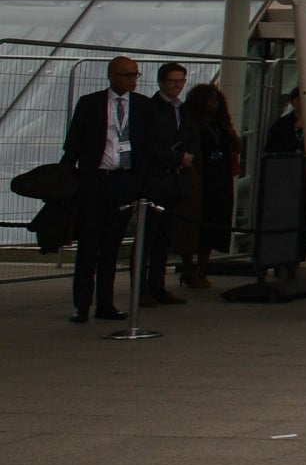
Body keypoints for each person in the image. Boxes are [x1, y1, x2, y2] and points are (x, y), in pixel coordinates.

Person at [59, 55, 170, 324]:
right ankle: (81, 304)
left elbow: (150, 145)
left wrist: (139, 181)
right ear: (112, 76)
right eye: (127, 75)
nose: (133, 80)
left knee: (111, 245)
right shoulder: (91, 103)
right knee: (89, 245)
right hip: (95, 180)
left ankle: (106, 303)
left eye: (135, 75)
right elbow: (73, 143)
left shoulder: (143, 106)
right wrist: (67, 179)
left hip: (124, 181)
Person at [173, 81, 241, 291]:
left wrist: (230, 133)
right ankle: (187, 268)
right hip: (198, 176)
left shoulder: (221, 124)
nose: (214, 104)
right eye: (210, 100)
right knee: (193, 223)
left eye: (216, 100)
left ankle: (201, 269)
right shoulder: (190, 122)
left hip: (219, 178)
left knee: (212, 224)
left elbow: (236, 146)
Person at [135, 63, 189, 306]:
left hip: (174, 181)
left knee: (164, 237)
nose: (177, 85)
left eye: (181, 81)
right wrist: (177, 158)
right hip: (154, 180)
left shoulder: (182, 110)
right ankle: (141, 287)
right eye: (172, 81)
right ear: (161, 82)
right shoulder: (150, 109)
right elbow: (147, 144)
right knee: (148, 237)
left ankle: (157, 285)